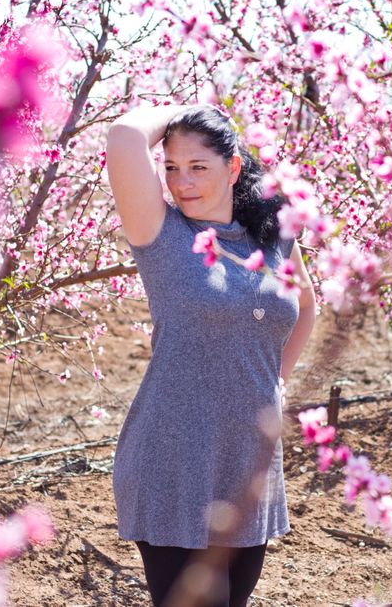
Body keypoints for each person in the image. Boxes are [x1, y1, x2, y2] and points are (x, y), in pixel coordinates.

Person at [105, 103, 316, 607]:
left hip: (248, 462)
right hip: (175, 462)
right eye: (172, 168)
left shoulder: (275, 233)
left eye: (198, 166)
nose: (182, 182)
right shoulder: (162, 234)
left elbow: (305, 307)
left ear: (234, 167)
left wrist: (276, 380)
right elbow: (123, 136)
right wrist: (192, 110)